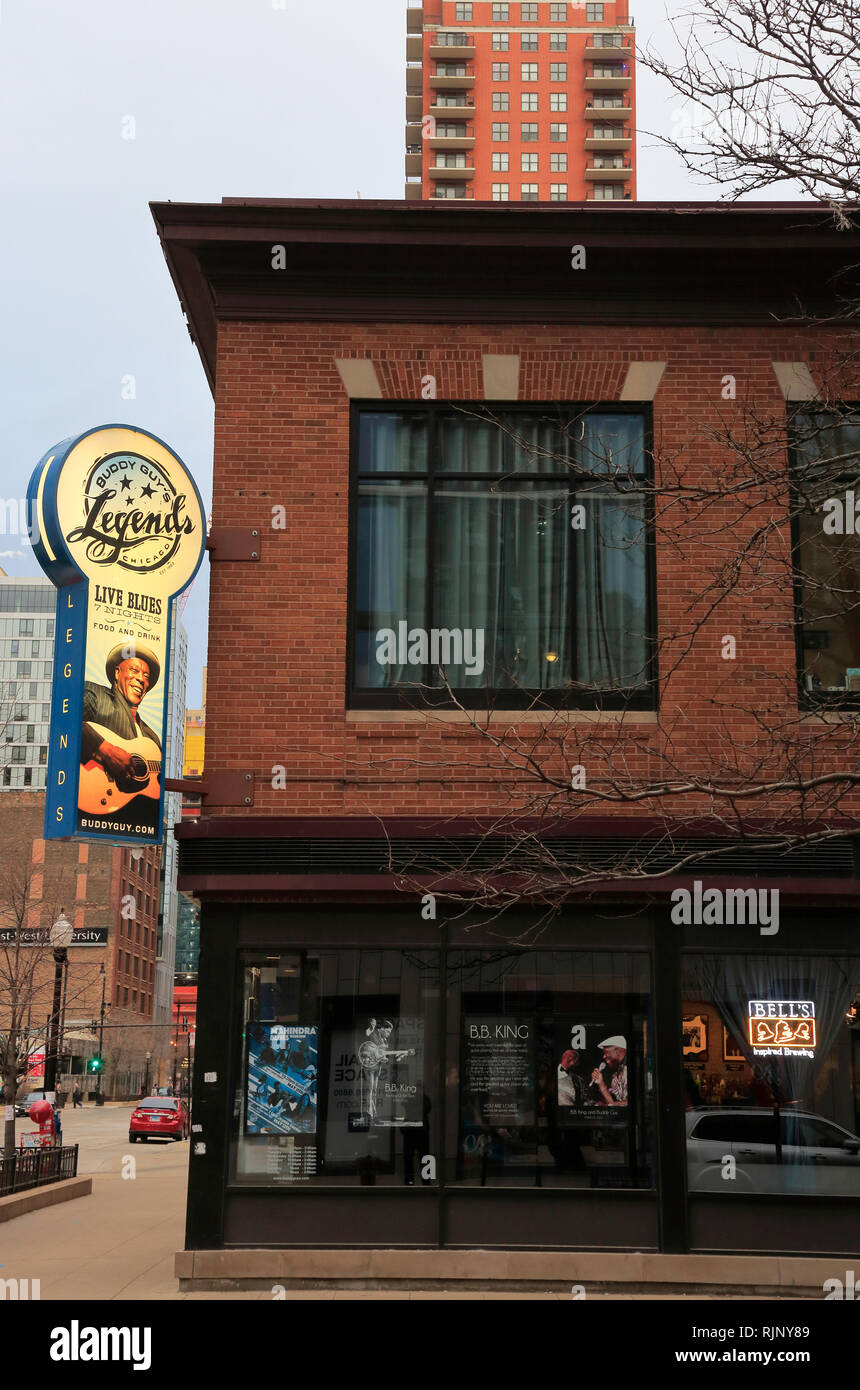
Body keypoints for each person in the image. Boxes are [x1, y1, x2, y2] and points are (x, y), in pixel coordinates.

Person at [80, 642, 162, 831]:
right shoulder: (96, 696)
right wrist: (105, 750)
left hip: (130, 819)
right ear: (117, 673)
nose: (141, 679)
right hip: (89, 807)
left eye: (146, 676)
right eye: (134, 670)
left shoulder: (152, 737)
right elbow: (68, 720)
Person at [591, 1035, 628, 1107]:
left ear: (618, 1050)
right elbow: (612, 1102)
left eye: (606, 1052)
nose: (604, 1056)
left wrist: (611, 1104)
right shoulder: (616, 1073)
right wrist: (601, 1083)